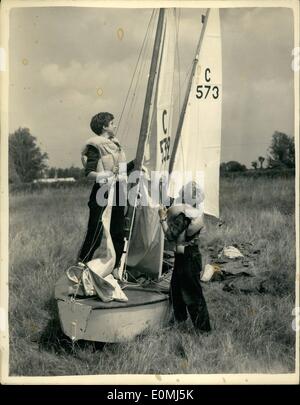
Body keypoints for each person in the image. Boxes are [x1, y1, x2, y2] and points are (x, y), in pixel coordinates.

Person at [158, 181, 211, 333]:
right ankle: (179, 324)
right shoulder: (195, 212)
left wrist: (162, 219)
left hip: (187, 258)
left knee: (192, 295)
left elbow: (170, 236)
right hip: (190, 257)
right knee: (176, 292)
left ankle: (203, 331)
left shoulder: (184, 215)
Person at [77, 112, 128, 270]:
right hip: (102, 192)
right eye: (112, 123)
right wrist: (105, 176)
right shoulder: (95, 147)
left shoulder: (116, 146)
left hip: (118, 193)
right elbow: (89, 173)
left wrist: (138, 163)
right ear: (104, 127)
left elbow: (121, 170)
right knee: (95, 234)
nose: (115, 125)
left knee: (118, 233)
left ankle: (115, 270)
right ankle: (80, 267)